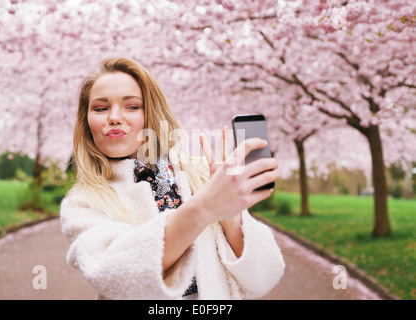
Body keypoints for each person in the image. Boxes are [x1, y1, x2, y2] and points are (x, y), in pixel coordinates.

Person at [60, 57, 285, 300]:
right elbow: (117, 274)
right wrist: (203, 209)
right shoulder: (82, 202)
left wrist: (231, 217)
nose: (114, 117)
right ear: (86, 121)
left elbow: (265, 278)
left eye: (132, 106)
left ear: (152, 114)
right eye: (101, 108)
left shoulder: (202, 176)